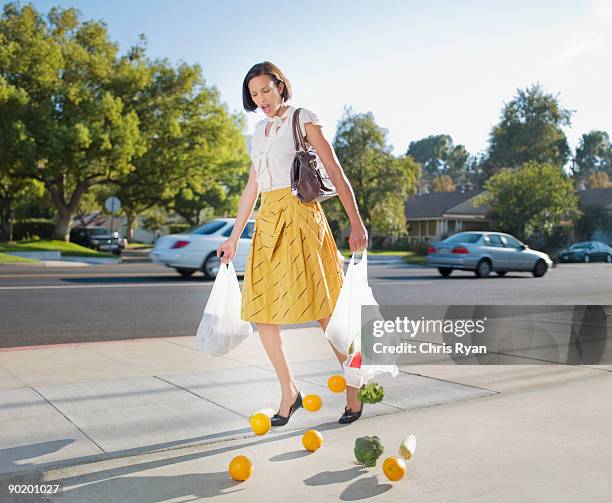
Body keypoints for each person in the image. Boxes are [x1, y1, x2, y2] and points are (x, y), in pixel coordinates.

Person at [216, 61, 368, 425]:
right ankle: (289, 392)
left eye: (266, 90)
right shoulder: (259, 131)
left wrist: (356, 222)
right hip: (268, 223)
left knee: (323, 309)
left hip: (301, 218)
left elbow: (334, 170)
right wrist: (234, 237)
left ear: (281, 86)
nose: (262, 99)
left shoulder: (302, 119)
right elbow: (253, 187)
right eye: (254, 95)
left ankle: (353, 384)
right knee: (262, 313)